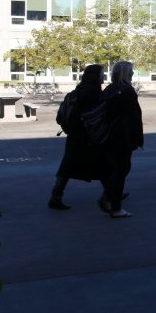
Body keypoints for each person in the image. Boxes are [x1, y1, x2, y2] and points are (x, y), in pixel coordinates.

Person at [49, 64, 109, 210]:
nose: (104, 76)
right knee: (102, 165)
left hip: (76, 133)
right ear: (95, 75)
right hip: (86, 135)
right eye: (102, 73)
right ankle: (112, 193)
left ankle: (56, 196)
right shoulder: (92, 92)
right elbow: (95, 114)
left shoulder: (80, 88)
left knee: (70, 165)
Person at [94, 60, 144, 218]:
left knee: (117, 169)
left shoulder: (110, 89)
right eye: (132, 71)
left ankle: (109, 197)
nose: (133, 73)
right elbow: (134, 117)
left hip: (109, 136)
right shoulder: (127, 91)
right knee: (121, 170)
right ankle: (115, 206)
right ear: (126, 73)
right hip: (122, 137)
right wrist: (136, 139)